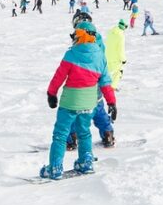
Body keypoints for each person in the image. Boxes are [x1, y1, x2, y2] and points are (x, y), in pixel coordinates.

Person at [40, 21, 117, 180]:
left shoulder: (71, 54)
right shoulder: (100, 56)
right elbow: (105, 82)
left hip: (70, 103)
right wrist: (111, 102)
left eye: (75, 35)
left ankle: (55, 168)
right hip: (89, 104)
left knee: (60, 135)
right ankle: (86, 162)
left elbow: (58, 77)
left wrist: (51, 93)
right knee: (84, 133)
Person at [105, 20, 127, 90]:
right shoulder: (121, 36)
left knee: (107, 73)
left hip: (107, 56)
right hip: (115, 58)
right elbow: (121, 49)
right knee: (119, 72)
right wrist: (123, 59)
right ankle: (112, 87)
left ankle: (104, 86)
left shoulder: (110, 32)